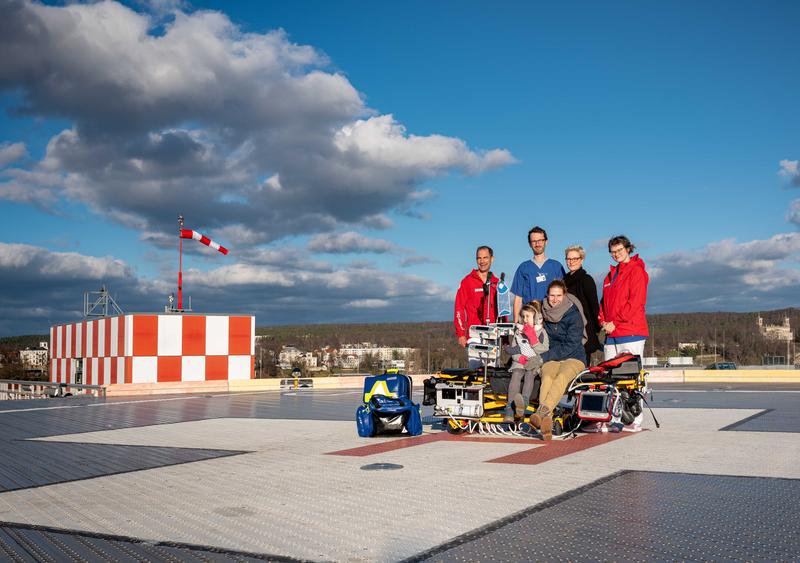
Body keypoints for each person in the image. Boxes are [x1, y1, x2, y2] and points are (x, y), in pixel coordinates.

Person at [529, 280, 586, 440]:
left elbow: (570, 345)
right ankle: (546, 424)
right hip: (552, 357)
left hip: (574, 356)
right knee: (547, 377)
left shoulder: (573, 314)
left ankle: (541, 412)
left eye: (558, 295)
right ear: (547, 296)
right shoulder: (543, 312)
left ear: (565, 295)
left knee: (561, 378)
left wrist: (543, 357)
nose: (555, 299)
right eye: (552, 295)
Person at [598, 235, 649, 360]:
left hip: (630, 332)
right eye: (613, 252)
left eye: (619, 250)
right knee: (610, 375)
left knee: (631, 374)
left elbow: (636, 303)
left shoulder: (636, 271)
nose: (616, 254)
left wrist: (615, 323)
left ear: (628, 249)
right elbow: (604, 303)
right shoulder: (610, 276)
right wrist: (603, 322)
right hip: (611, 334)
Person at [502, 301, 549, 423]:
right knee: (516, 374)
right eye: (523, 316)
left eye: (528, 316)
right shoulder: (519, 332)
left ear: (536, 318)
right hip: (520, 361)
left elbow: (544, 349)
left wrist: (533, 338)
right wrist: (519, 358)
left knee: (529, 375)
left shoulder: (541, 332)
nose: (525, 319)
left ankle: (523, 402)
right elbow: (514, 349)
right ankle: (510, 408)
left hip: (534, 361)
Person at [511, 226, 565, 322]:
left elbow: (564, 295)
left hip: (552, 318)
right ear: (529, 244)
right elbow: (518, 298)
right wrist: (516, 322)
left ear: (546, 241)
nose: (537, 244)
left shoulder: (557, 266)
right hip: (529, 319)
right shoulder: (523, 268)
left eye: (540, 240)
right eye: (534, 241)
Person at [454, 246, 499, 348]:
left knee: (492, 365)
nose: (482, 261)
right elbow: (459, 308)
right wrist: (461, 334)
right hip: (474, 335)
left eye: (485, 257)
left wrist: (504, 339)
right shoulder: (467, 281)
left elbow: (502, 312)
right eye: (479, 258)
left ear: (492, 259)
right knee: (477, 365)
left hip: (493, 335)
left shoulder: (497, 282)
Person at [563, 245, 602, 365]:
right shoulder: (562, 281)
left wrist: (596, 329)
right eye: (568, 259)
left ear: (581, 260)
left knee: (582, 368)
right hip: (567, 331)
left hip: (584, 331)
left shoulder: (586, 280)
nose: (571, 262)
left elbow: (594, 306)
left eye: (575, 259)